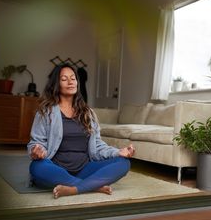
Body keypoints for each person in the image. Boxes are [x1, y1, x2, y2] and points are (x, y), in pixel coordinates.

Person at [27, 64, 135, 199]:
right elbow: (35, 143)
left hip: (84, 170)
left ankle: (74, 188)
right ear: (56, 84)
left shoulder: (88, 113)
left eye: (73, 78)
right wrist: (37, 151)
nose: (70, 81)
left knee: (123, 163)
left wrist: (118, 152)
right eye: (64, 79)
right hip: (56, 169)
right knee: (36, 167)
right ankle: (93, 186)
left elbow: (98, 146)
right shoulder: (45, 112)